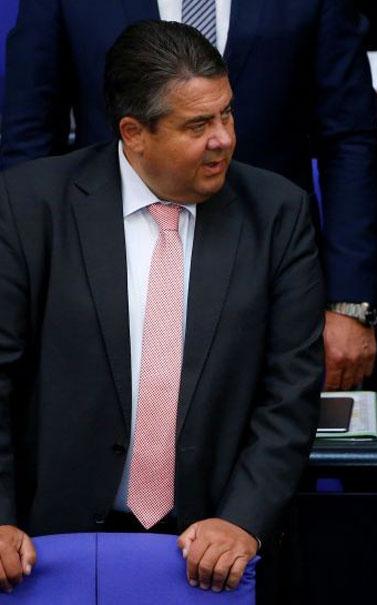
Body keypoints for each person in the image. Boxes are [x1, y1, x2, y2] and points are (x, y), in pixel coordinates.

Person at [0, 21, 323, 593]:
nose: (223, 138)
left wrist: (243, 518)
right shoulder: (30, 206)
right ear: (134, 133)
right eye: (198, 125)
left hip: (210, 549)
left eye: (226, 115)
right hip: (49, 550)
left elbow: (291, 388)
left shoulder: (278, 213)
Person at [0, 0, 377, 390]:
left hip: (268, 274)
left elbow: (349, 137)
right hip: (102, 275)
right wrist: (25, 289)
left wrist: (349, 303)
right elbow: (29, 137)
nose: (221, 139)